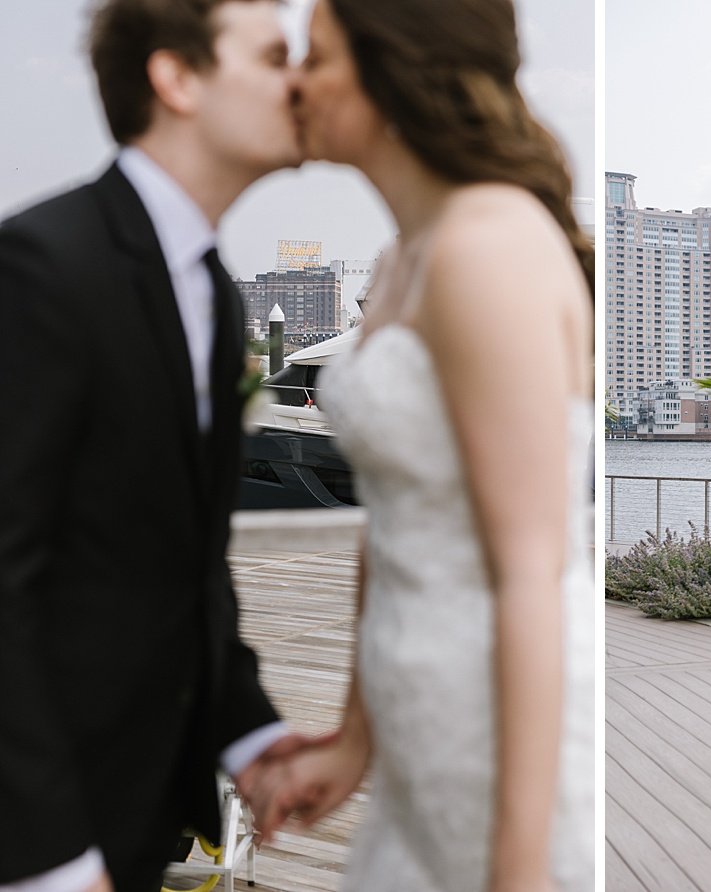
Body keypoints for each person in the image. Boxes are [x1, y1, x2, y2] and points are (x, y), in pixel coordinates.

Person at [244, 0, 595, 890]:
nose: (295, 81)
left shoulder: (488, 248)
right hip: (417, 725)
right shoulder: (403, 259)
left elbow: (532, 573)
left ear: (389, 68)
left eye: (316, 57)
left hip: (499, 733)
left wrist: (518, 868)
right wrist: (357, 741)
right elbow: (392, 509)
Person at [0, 2, 310, 890]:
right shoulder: (41, 268)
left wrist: (248, 732)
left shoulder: (212, 292)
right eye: (269, 56)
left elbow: (188, 568)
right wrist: (47, 858)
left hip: (136, 813)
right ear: (176, 78)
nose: (297, 82)